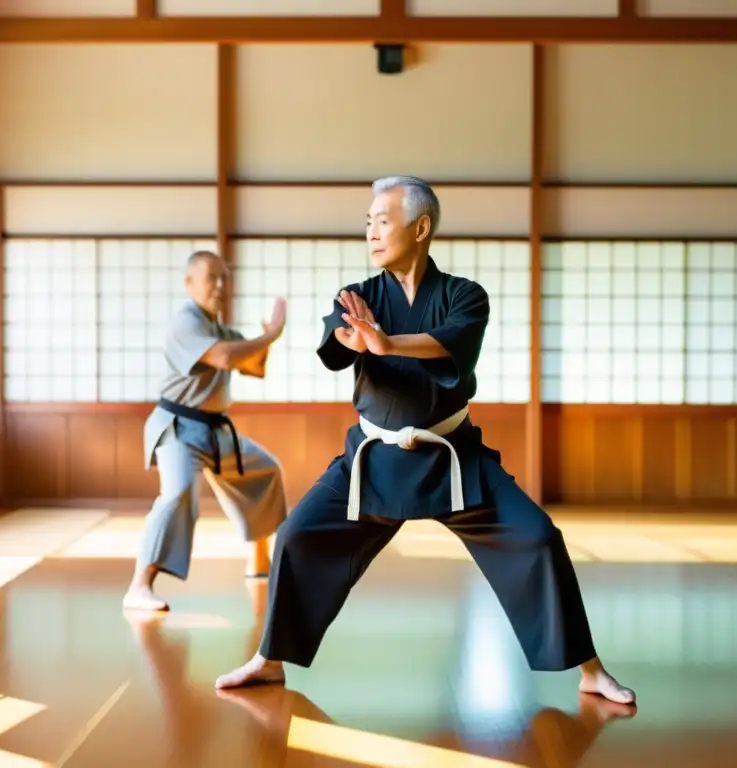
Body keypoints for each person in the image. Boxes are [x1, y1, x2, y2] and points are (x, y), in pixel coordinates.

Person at [213, 177, 635, 706]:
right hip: (371, 462)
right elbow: (338, 341)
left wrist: (386, 343)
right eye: (366, 222)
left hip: (453, 458)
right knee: (297, 535)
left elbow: (449, 343)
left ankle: (590, 669)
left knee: (538, 539)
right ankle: (269, 660)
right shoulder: (360, 296)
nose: (370, 231)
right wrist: (351, 338)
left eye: (382, 221)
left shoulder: (464, 296)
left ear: (422, 227)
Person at [122, 250, 289, 612]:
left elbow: (253, 366)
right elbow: (225, 358)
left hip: (215, 432)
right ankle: (139, 586)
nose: (219, 284)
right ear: (189, 283)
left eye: (224, 277)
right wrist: (271, 335)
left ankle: (259, 560)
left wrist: (265, 341)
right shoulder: (185, 321)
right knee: (178, 493)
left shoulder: (216, 326)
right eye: (211, 277)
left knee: (264, 471)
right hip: (180, 429)